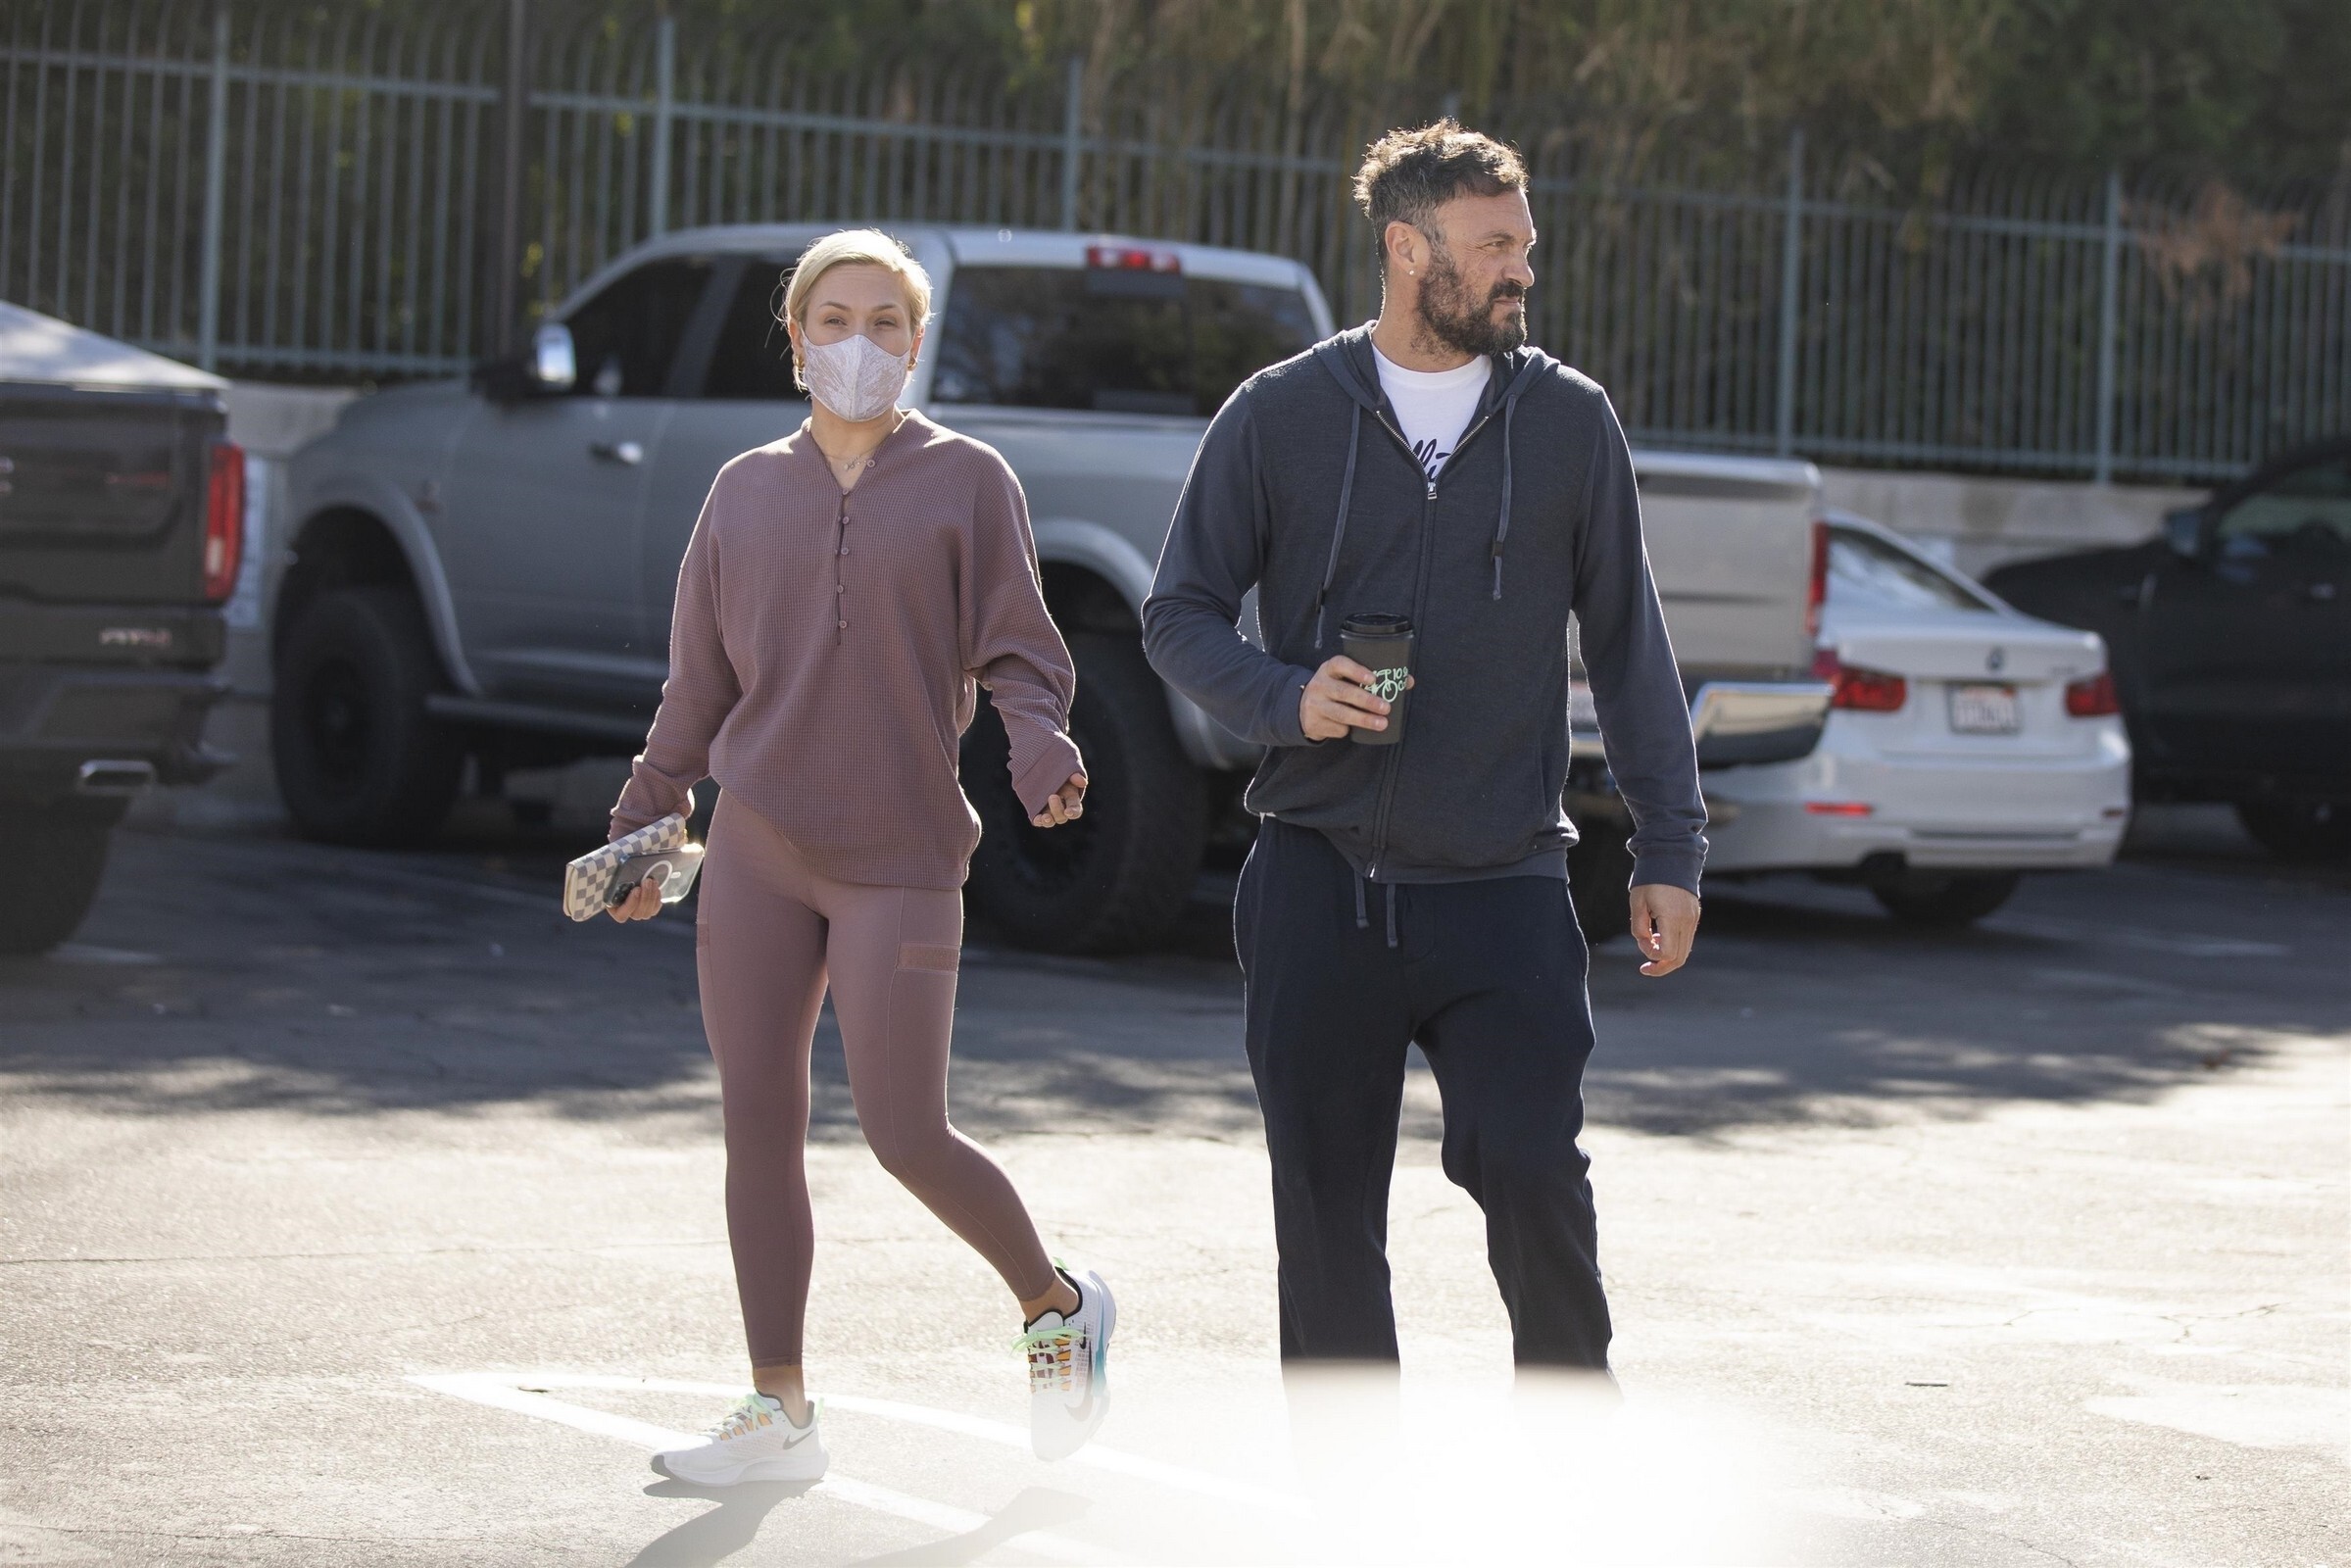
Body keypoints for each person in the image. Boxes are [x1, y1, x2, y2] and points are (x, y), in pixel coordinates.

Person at [1142, 122, 1705, 1377]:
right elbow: (1177, 614)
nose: (1521, 269)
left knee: (1530, 1165)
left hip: (1503, 880)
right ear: (1407, 248)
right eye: (1493, 244)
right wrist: (1286, 697)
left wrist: (1669, 846)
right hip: (1316, 879)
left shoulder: (1568, 422)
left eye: (1524, 244)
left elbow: (1628, 644)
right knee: (1325, 1221)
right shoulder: (1278, 413)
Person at [605, 228, 1112, 1485]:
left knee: (903, 1132)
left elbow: (1020, 647)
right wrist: (643, 818)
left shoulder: (968, 481)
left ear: (916, 342)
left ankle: (1057, 1307)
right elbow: (697, 684)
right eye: (834, 319)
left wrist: (1040, 745)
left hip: (900, 855)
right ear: (795, 340)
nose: (859, 343)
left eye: (886, 322)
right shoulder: (739, 492)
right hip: (757, 847)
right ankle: (777, 1413)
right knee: (757, 1122)